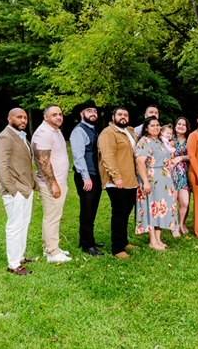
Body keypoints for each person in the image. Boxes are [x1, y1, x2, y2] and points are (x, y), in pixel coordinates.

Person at [0, 108, 38, 275]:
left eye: (25, 117)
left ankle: (20, 257)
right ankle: (13, 265)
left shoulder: (22, 137)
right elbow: (0, 167)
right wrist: (13, 190)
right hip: (15, 191)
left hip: (26, 189)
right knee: (14, 226)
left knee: (23, 224)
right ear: (9, 118)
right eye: (19, 117)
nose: (23, 120)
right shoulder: (4, 137)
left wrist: (33, 185)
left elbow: (26, 164)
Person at [32, 105, 71, 264]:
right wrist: (53, 184)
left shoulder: (55, 130)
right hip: (51, 183)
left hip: (60, 181)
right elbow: (43, 161)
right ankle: (52, 253)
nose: (59, 117)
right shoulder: (43, 133)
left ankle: (52, 246)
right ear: (45, 117)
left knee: (55, 216)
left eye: (60, 114)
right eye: (54, 115)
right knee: (52, 217)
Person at [98, 107, 139, 260]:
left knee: (126, 212)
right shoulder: (108, 133)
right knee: (119, 213)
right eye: (120, 114)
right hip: (117, 181)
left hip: (130, 180)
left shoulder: (129, 131)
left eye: (126, 114)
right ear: (113, 116)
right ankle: (117, 248)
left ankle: (124, 242)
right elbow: (107, 156)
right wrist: (116, 177)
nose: (123, 117)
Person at [134, 117, 179, 250]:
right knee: (152, 208)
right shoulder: (144, 141)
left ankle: (159, 239)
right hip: (151, 178)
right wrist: (145, 182)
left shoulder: (160, 141)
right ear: (146, 128)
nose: (156, 127)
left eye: (158, 125)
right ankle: (152, 240)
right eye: (152, 125)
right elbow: (140, 162)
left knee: (161, 208)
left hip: (164, 178)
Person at [69, 100, 104, 256]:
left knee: (93, 209)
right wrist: (86, 177)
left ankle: (89, 239)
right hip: (86, 176)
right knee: (87, 209)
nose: (93, 113)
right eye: (89, 111)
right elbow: (78, 156)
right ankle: (86, 244)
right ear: (82, 114)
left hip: (95, 175)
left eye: (95, 111)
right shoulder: (79, 131)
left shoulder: (94, 129)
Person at [172, 117, 191, 235]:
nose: (181, 126)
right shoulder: (169, 138)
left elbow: (193, 156)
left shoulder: (190, 140)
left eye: (183, 124)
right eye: (179, 124)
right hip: (171, 173)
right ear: (175, 126)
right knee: (173, 201)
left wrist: (181, 157)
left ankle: (181, 224)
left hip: (184, 173)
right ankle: (174, 227)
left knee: (185, 202)